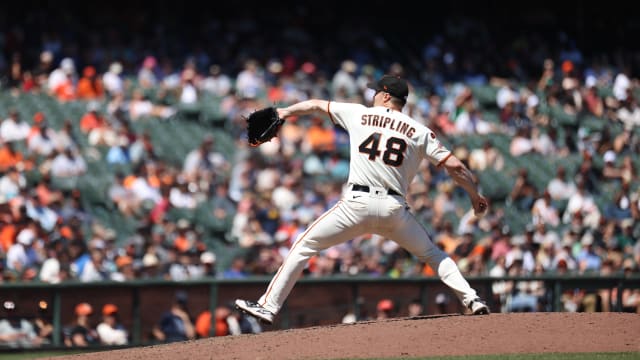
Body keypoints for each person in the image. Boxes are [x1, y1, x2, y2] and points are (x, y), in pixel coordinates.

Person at [235, 75, 490, 325]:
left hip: (356, 205)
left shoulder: (358, 113)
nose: (373, 95)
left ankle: (269, 307)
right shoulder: (420, 131)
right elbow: (455, 166)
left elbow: (314, 105)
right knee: (434, 255)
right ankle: (472, 299)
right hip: (394, 210)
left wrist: (284, 111)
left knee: (303, 246)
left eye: (376, 92)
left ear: (386, 96)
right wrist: (474, 196)